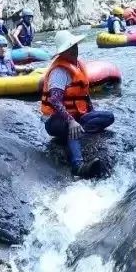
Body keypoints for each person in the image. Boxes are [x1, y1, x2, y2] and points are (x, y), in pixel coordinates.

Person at [40, 29, 115, 174]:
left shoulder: (78, 65)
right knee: (71, 128)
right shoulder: (59, 72)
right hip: (56, 121)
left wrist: (91, 113)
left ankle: (79, 129)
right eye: (69, 48)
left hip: (78, 116)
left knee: (108, 117)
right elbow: (54, 100)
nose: (74, 49)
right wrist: (71, 121)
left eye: (74, 45)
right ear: (62, 52)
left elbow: (84, 95)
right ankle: (78, 166)